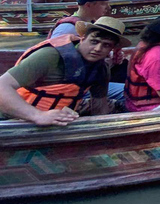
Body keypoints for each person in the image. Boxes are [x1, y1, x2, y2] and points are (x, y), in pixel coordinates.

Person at [0, 17, 130, 125]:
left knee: (117, 105)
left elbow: (99, 108)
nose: (97, 48)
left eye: (106, 45)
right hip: (10, 118)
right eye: (94, 41)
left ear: (112, 49)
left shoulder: (101, 69)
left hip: (57, 120)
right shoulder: (50, 56)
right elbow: (2, 85)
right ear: (82, 38)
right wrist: (38, 115)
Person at [48, 0, 120, 39]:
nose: (108, 7)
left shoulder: (91, 23)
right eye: (103, 4)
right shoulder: (67, 28)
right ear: (88, 5)